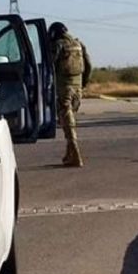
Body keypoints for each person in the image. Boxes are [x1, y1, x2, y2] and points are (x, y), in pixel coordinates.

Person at [49, 22, 92, 167]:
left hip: (64, 89)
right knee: (70, 120)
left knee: (67, 122)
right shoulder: (79, 44)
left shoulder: (58, 45)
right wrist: (83, 84)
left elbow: (50, 66)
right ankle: (69, 155)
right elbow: (88, 66)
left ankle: (75, 154)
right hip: (77, 89)